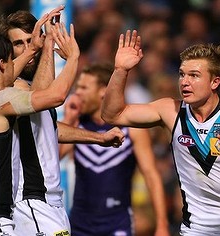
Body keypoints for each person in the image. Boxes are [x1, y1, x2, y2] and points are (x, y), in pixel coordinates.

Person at [101, 30, 220, 235]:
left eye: (194, 76)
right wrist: (120, 70)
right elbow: (112, 115)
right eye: (182, 74)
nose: (184, 82)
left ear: (215, 82)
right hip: (196, 229)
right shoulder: (170, 111)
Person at [0, 10, 124, 236]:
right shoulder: (11, 87)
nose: (28, 47)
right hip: (29, 200)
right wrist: (58, 51)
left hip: (48, 201)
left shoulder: (28, 83)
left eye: (31, 39)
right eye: (19, 44)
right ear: (8, 51)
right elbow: (47, 97)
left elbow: (49, 128)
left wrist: (98, 138)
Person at [0, 13, 76, 235]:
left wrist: (32, 49)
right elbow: (54, 97)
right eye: (11, 59)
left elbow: (2, 77)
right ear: (2, 64)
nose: (16, 64)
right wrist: (73, 57)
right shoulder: (1, 101)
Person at [60, 63, 170, 236]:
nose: (77, 93)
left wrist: (162, 225)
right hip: (79, 223)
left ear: (103, 91)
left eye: (83, 88)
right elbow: (55, 157)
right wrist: (68, 118)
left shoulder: (132, 127)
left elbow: (151, 174)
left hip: (118, 222)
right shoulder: (77, 124)